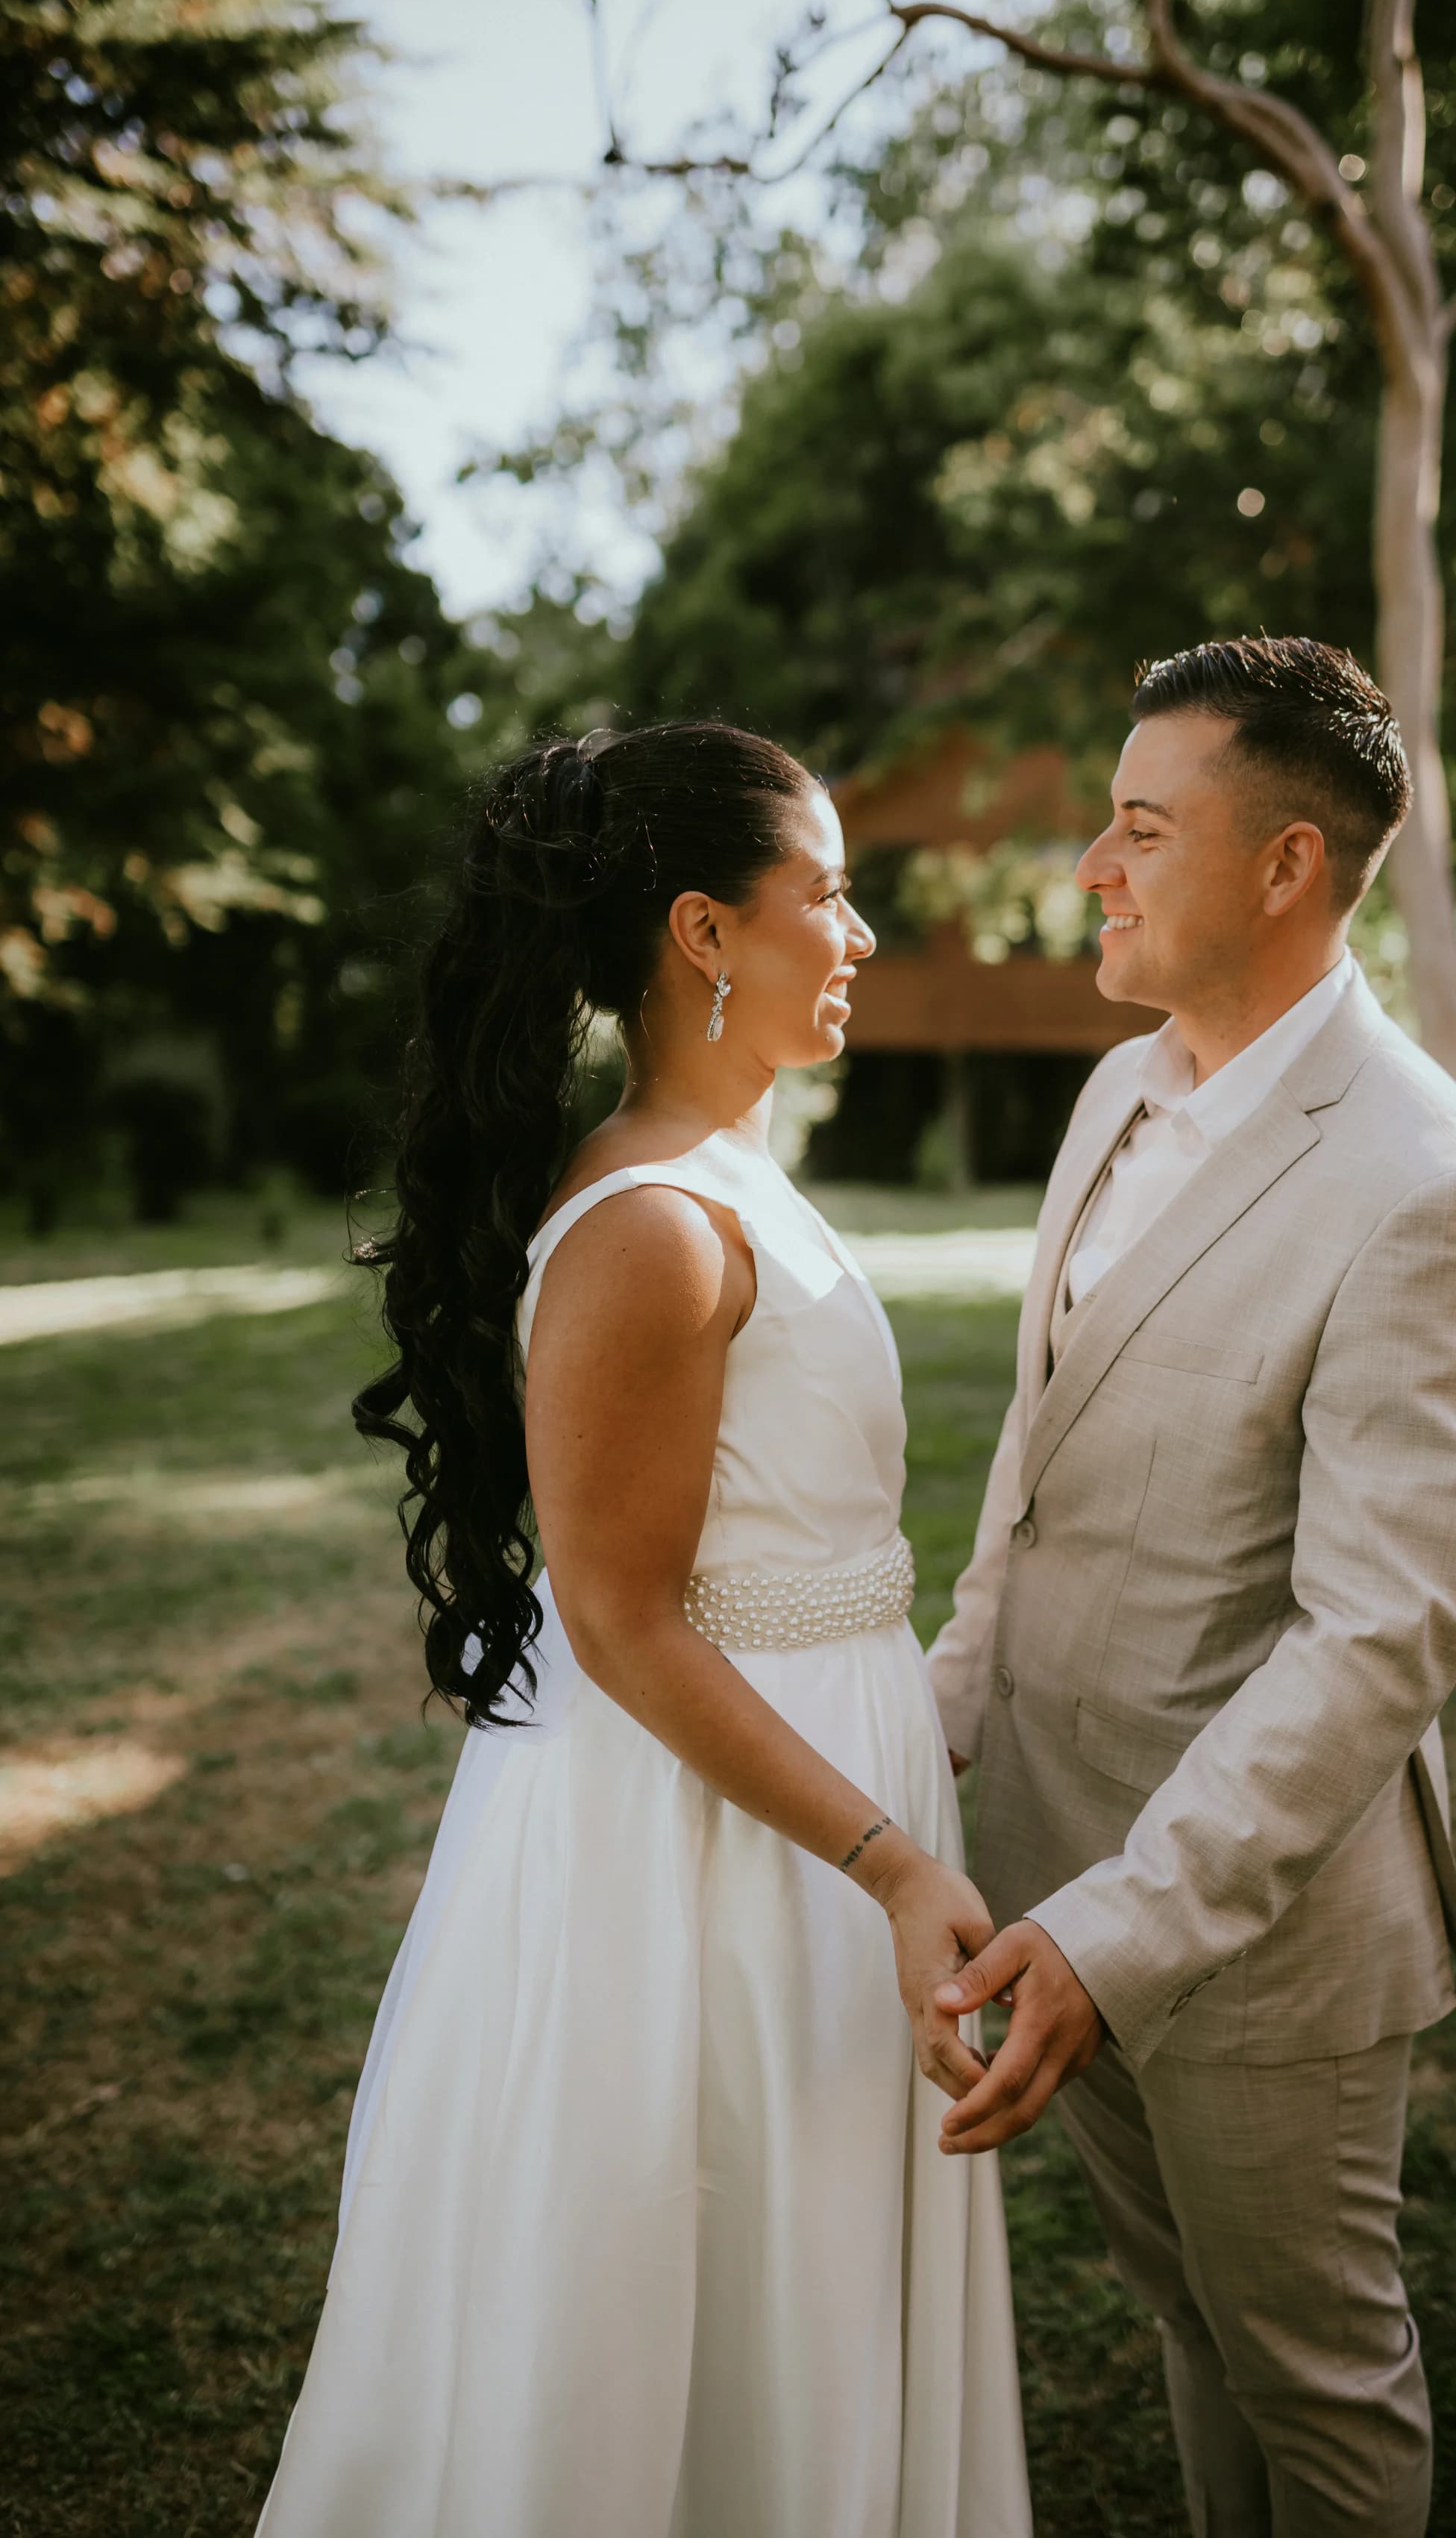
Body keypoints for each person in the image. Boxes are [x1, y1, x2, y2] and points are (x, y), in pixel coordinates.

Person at [257, 724, 1031, 2538]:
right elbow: (615, 1619)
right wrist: (890, 1858)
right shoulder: (652, 1228)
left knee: (796, 2273)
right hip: (710, 1857)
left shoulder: (732, 1172)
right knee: (693, 2275)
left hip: (803, 1817)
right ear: (703, 929)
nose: (857, 931)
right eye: (825, 894)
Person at [926, 639, 1456, 2537]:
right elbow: (1023, 1489)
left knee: (1316, 2378)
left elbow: (1378, 1643)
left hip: (1247, 1935)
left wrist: (1126, 1938)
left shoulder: (1434, 1187)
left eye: (1137, 827)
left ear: (1287, 865)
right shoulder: (1117, 1085)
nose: (1092, 870)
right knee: (1190, 2324)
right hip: (1048, 1881)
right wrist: (940, 1729)